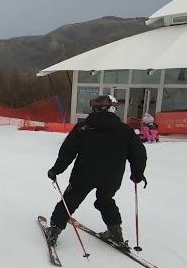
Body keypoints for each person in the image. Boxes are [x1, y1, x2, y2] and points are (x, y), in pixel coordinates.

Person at [45, 94, 147, 248]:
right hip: (111, 177)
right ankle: (116, 234)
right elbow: (139, 154)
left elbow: (67, 152)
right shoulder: (125, 130)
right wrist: (137, 174)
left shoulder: (83, 127)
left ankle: (54, 230)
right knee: (105, 201)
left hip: (84, 174)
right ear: (113, 109)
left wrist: (56, 170)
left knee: (71, 200)